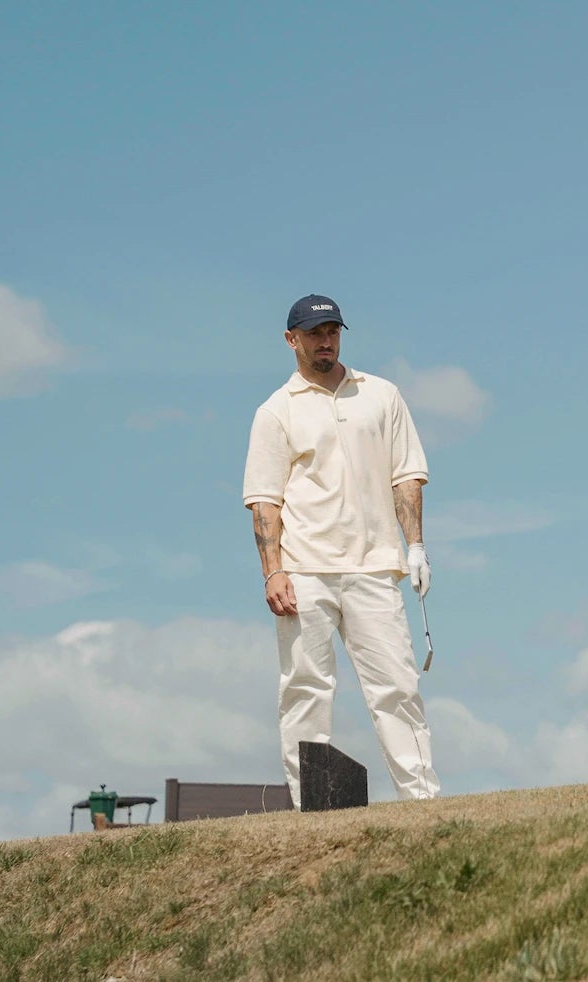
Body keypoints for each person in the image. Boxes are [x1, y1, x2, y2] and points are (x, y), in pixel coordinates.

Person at [242, 294, 440, 806]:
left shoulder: (382, 395)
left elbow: (406, 475)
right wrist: (273, 572)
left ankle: (421, 801)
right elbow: (264, 501)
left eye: (332, 330)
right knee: (306, 688)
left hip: (375, 564)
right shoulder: (275, 411)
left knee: (396, 685)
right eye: (314, 333)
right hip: (305, 570)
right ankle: (312, 805)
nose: (325, 340)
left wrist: (415, 547)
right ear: (292, 340)